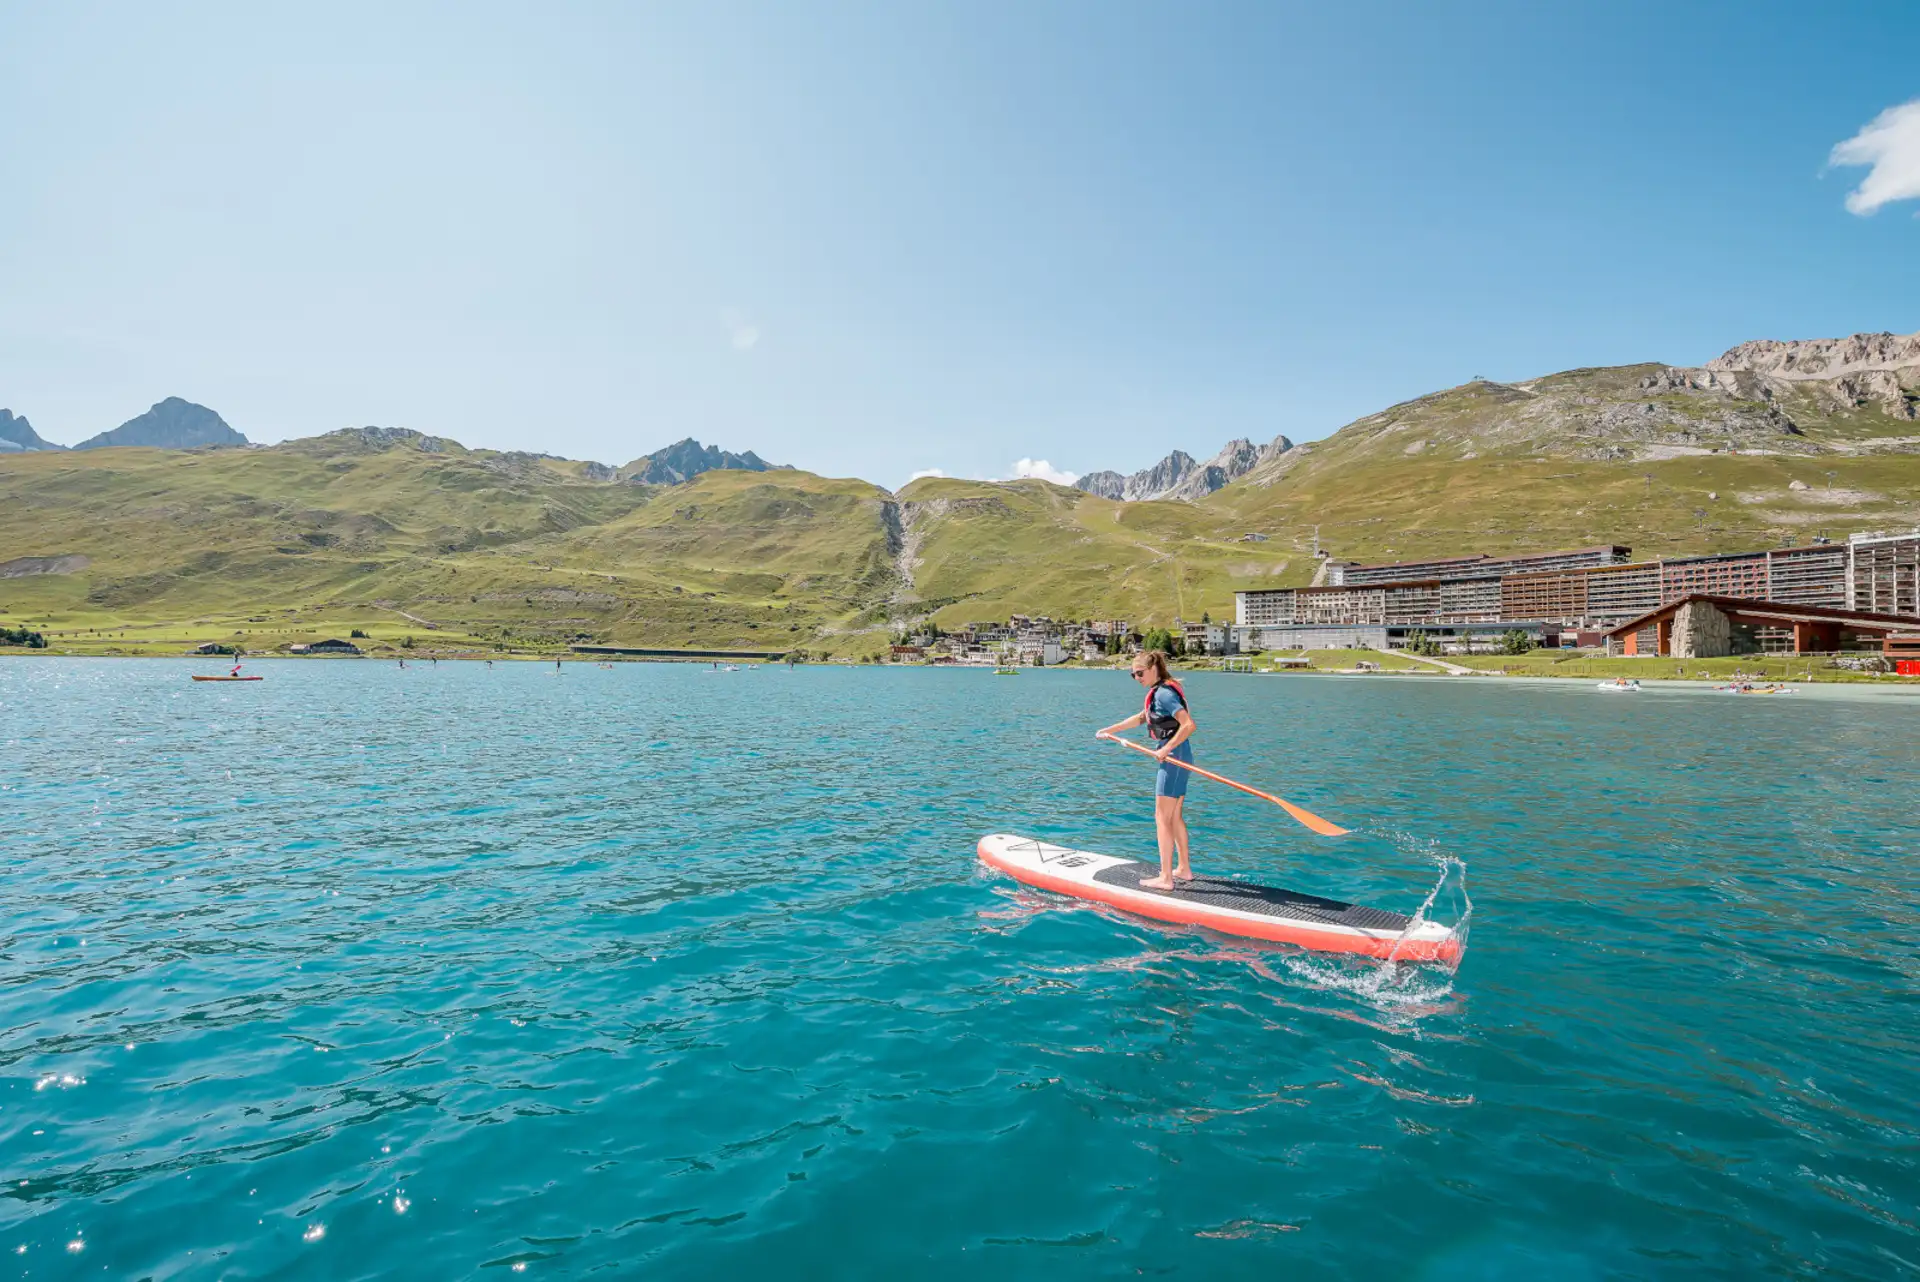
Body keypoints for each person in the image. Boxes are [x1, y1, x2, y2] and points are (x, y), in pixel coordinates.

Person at [1096, 649, 1197, 890]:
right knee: (1174, 817)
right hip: (1181, 754)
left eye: (1139, 673)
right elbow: (1142, 718)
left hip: (1174, 756)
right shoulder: (1160, 692)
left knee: (1162, 817)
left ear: (1153, 669)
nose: (1137, 678)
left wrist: (1166, 749)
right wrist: (1110, 730)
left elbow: (1189, 725)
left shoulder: (1163, 694)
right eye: (1133, 675)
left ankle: (1166, 878)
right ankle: (1183, 869)